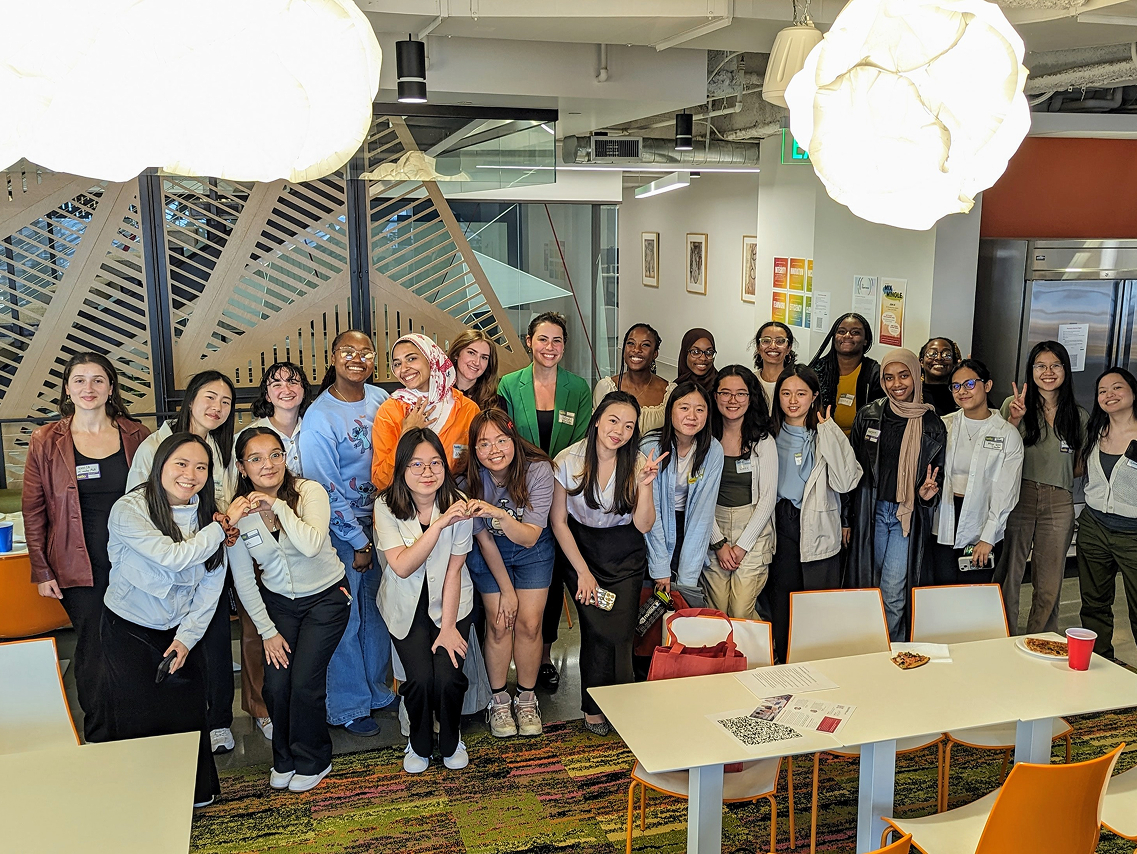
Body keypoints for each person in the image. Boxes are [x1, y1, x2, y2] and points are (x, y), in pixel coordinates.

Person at [101, 433, 235, 808]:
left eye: (201, 467)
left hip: (179, 629)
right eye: (181, 463)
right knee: (136, 713)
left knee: (188, 711)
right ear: (160, 465)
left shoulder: (209, 515)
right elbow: (172, 557)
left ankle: (194, 794)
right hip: (128, 626)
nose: (190, 474)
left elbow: (211, 587)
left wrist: (186, 639)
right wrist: (221, 529)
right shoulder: (129, 509)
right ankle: (142, 798)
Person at [24, 353, 150, 743]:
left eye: (98, 380)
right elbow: (34, 510)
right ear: (67, 388)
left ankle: (140, 728)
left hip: (135, 562)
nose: (88, 388)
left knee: (137, 643)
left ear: (111, 387)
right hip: (79, 565)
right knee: (94, 649)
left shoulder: (138, 435)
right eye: (79, 380)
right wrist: (42, 571)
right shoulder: (46, 440)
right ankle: (100, 735)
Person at [226, 428, 349, 793]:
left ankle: (314, 759)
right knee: (277, 686)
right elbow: (244, 580)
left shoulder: (308, 492)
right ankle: (284, 758)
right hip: (279, 605)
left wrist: (275, 504)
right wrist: (266, 630)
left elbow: (312, 545)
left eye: (275, 454)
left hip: (326, 598)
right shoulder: (238, 513)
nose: (268, 464)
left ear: (286, 458)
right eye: (256, 458)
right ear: (242, 467)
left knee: (304, 683)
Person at [126, 369, 238, 754]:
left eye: (225, 402)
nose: (217, 407)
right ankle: (182, 727)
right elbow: (140, 504)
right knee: (174, 647)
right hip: (166, 568)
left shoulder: (222, 450)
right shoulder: (157, 444)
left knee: (216, 638)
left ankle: (220, 721)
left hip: (210, 560)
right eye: (209, 397)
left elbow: (223, 505)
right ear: (190, 399)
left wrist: (225, 525)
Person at [297, 329, 395, 737]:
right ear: (333, 358)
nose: (358, 358)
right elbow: (325, 488)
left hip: (384, 523)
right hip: (345, 533)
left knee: (377, 613)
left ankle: (376, 691)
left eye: (366, 352)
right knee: (347, 618)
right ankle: (347, 705)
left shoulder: (382, 400)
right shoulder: (320, 416)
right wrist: (357, 541)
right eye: (347, 352)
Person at [550, 391, 663, 735]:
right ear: (598, 418)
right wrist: (583, 572)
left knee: (621, 632)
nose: (620, 431)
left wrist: (645, 487)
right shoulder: (568, 460)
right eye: (613, 420)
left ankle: (624, 702)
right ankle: (593, 708)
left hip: (624, 552)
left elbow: (643, 525)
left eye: (629, 426)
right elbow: (558, 522)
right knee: (596, 629)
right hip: (581, 549)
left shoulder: (639, 461)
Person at [498, 312, 591, 691]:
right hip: (519, 487)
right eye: (542, 340)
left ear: (564, 346)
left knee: (552, 580)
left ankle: (546, 655)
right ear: (528, 342)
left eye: (557, 341)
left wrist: (556, 471)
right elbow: (503, 435)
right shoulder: (509, 384)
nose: (549, 348)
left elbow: (584, 438)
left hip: (565, 489)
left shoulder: (578, 387)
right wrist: (538, 470)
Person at [374, 428, 476, 773]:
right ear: (402, 468)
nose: (427, 472)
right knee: (418, 679)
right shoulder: (385, 506)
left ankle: (451, 738)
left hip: (449, 601)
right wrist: (438, 525)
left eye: (435, 463)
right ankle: (417, 743)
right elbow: (401, 566)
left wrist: (448, 628)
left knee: (447, 677)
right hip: (405, 604)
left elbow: (453, 571)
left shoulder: (459, 505)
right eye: (416, 464)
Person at [463, 409, 555, 738]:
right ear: (474, 449)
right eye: (484, 444)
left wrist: (496, 514)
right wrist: (507, 592)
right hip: (491, 555)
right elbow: (484, 539)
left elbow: (530, 535)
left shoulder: (538, 470)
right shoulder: (468, 481)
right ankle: (499, 699)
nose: (495, 449)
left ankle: (527, 697)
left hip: (532, 549)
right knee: (500, 623)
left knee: (530, 624)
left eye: (502, 440)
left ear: (514, 439)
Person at [235, 360, 311, 741]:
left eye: (293, 381)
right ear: (265, 393)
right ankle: (262, 707)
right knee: (256, 624)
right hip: (256, 529)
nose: (285, 388)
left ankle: (298, 701)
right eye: (276, 382)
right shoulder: (253, 433)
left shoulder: (311, 426)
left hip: (300, 532)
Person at [848, 348, 946, 640]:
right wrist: (846, 518)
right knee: (869, 585)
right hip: (872, 511)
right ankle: (867, 645)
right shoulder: (869, 415)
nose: (896, 384)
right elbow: (850, 470)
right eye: (888, 377)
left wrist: (928, 496)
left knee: (893, 590)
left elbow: (936, 478)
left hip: (906, 515)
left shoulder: (932, 424)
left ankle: (891, 649)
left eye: (903, 375)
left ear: (916, 376)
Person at [768, 366, 863, 660]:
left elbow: (847, 481)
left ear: (814, 397)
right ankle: (784, 663)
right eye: (785, 393)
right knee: (782, 603)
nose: (793, 401)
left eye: (801, 393)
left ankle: (818, 664)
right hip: (780, 526)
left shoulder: (825, 433)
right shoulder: (767, 433)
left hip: (818, 527)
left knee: (818, 604)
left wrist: (829, 429)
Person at [997, 341, 1087, 634]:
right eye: (1040, 366)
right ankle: (1002, 634)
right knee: (1009, 571)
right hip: (1017, 494)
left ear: (1065, 370)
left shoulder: (1079, 415)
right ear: (1030, 371)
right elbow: (996, 454)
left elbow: (1079, 464)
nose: (1048, 372)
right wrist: (1015, 419)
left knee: (1050, 577)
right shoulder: (1013, 406)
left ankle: (1041, 636)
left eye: (1055, 365)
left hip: (1059, 499)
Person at [930, 360, 1023, 586]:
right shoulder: (943, 425)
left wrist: (988, 537)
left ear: (987, 385)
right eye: (956, 386)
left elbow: (1006, 492)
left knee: (974, 591)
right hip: (945, 516)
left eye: (970, 383)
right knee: (942, 587)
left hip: (983, 520)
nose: (962, 391)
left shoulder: (1006, 434)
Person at [703, 366, 778, 621]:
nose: (732, 400)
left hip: (753, 528)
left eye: (740, 394)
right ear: (714, 396)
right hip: (713, 525)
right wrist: (719, 544)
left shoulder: (763, 440)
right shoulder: (705, 437)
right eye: (725, 393)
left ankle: (763, 657)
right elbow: (699, 497)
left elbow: (768, 498)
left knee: (740, 611)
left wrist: (742, 547)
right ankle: (725, 661)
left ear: (751, 397)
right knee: (718, 611)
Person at [642, 382, 724, 608]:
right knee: (649, 606)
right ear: (670, 411)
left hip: (687, 526)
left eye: (700, 409)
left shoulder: (713, 450)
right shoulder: (651, 447)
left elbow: (702, 516)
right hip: (650, 529)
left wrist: (687, 581)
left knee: (682, 601)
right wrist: (660, 568)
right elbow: (652, 512)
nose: (692, 416)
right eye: (684, 408)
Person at [1076, 367, 1137, 660]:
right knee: (1094, 604)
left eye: (1117, 388)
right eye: (1102, 391)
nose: (1109, 395)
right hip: (1094, 527)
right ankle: (1101, 661)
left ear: (1133, 392)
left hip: (1133, 534)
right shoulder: (1095, 430)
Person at [372, 333, 480, 491]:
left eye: (411, 359)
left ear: (431, 359)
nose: (404, 369)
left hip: (452, 506)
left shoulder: (467, 409)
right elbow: (381, 480)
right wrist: (407, 432)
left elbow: (477, 470)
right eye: (397, 364)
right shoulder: (389, 411)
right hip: (403, 509)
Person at [808, 313, 884, 436]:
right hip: (819, 441)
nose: (847, 336)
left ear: (865, 340)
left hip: (859, 447)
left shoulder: (875, 374)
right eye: (841, 331)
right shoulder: (817, 370)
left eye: (855, 332)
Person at [593, 323, 673, 432]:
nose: (636, 350)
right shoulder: (605, 388)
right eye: (631, 343)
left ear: (655, 354)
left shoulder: (670, 392)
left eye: (645, 345)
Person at [448, 329, 502, 412]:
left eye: (484, 358)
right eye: (471, 353)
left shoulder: (496, 402)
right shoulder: (435, 391)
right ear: (456, 354)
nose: (477, 362)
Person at [753, 322, 796, 409]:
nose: (773, 346)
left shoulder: (798, 382)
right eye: (766, 341)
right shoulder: (749, 380)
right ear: (758, 347)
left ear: (788, 348)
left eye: (780, 341)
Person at [919, 337, 962, 417]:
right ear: (921, 362)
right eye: (932, 354)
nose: (939, 358)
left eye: (947, 355)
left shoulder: (963, 394)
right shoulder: (912, 393)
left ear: (954, 363)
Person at [676, 327, 718, 395]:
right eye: (696, 352)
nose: (703, 358)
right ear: (685, 354)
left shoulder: (720, 386)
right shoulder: (675, 388)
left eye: (709, 352)